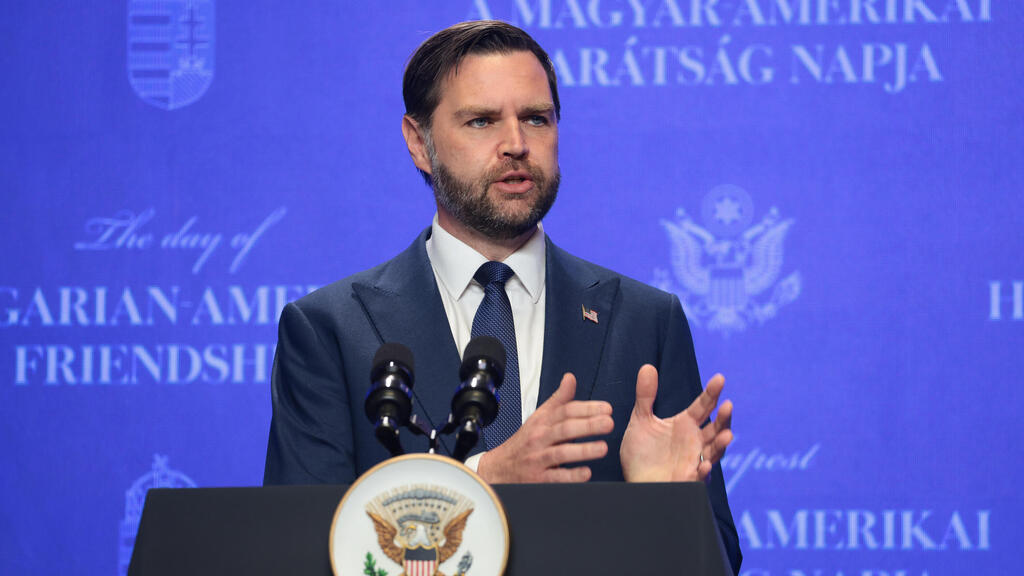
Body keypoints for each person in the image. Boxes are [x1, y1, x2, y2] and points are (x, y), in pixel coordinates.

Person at [264, 20, 741, 572]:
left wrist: (663, 507)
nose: (516, 144)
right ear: (419, 143)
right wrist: (483, 481)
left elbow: (720, 562)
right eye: (482, 120)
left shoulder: (645, 321)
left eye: (536, 119)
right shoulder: (330, 330)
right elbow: (302, 556)